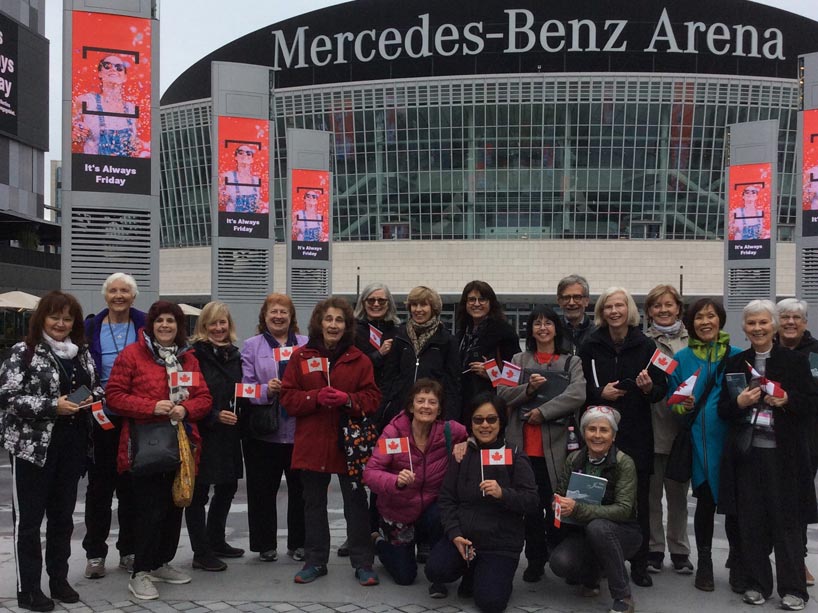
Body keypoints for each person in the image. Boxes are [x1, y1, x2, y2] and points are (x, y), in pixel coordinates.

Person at [0, 291, 102, 612]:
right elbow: (8, 397)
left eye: (68, 318)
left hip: (71, 445)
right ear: (42, 318)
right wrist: (51, 406)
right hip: (32, 447)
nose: (61, 323)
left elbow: (96, 385)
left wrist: (89, 398)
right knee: (29, 522)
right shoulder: (23, 352)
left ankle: (58, 579)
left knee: (62, 518)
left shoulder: (81, 353)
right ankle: (28, 589)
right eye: (55, 317)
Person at [105, 301, 212, 601]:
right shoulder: (132, 354)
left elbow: (204, 398)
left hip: (182, 442)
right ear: (150, 325)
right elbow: (114, 396)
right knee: (148, 509)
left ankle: (161, 562)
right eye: (160, 321)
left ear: (180, 327)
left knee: (173, 506)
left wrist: (185, 408)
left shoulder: (188, 358)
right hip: (146, 443)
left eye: (172, 321)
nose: (165, 326)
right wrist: (151, 406)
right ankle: (140, 571)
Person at [718, 300, 818, 611]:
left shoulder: (793, 361)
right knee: (751, 523)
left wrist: (786, 399)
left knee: (787, 523)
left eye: (763, 322)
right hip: (748, 456)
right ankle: (756, 583)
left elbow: (810, 404)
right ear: (744, 328)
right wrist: (741, 403)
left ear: (773, 326)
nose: (758, 329)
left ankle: (794, 590)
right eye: (752, 323)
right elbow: (723, 409)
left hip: (784, 456)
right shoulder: (736, 362)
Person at [280, 297, 382, 586]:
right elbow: (287, 398)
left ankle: (363, 562)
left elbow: (373, 398)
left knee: (356, 504)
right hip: (313, 442)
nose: (333, 325)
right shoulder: (300, 357)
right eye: (329, 319)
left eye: (339, 320)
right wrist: (314, 398)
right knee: (313, 504)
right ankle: (315, 561)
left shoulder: (359, 359)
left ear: (347, 325)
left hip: (349, 444)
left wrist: (348, 399)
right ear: (319, 322)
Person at [578, 287, 668, 588]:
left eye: (619, 306)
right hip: (598, 434)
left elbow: (660, 390)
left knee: (637, 502)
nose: (614, 311)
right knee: (596, 496)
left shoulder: (646, 345)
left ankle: (639, 564)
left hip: (635, 434)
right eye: (608, 307)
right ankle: (596, 564)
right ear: (601, 312)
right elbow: (579, 387)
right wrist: (598, 393)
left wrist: (646, 388)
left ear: (628, 310)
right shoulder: (590, 344)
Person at [424, 393, 538, 613]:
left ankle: (487, 576)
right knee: (435, 570)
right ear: (471, 423)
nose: (485, 425)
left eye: (491, 419)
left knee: (490, 603)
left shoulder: (514, 454)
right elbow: (447, 499)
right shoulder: (462, 453)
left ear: (501, 422)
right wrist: (455, 535)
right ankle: (472, 570)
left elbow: (532, 501)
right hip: (465, 538)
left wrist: (503, 493)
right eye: (478, 420)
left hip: (500, 543)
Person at [497, 306, 586, 583]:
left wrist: (543, 411)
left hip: (558, 450)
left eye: (548, 323)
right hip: (523, 448)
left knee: (556, 507)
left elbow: (578, 394)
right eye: (537, 323)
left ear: (556, 329)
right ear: (530, 329)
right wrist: (529, 390)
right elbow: (501, 392)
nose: (543, 328)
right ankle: (535, 560)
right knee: (530, 511)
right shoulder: (517, 358)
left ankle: (560, 554)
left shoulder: (571, 361)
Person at [667, 299, 742, 592]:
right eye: (699, 317)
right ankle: (706, 564)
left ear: (720, 320)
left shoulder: (737, 356)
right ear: (691, 323)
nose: (706, 321)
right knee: (705, 505)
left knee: (735, 507)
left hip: (732, 444)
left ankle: (738, 560)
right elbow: (672, 400)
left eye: (711, 316)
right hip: (699, 446)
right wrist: (682, 406)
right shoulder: (682, 358)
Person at [363, 379, 468, 588]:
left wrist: (467, 443)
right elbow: (370, 473)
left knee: (442, 514)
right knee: (405, 577)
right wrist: (396, 481)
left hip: (430, 507)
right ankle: (378, 542)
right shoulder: (393, 433)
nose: (426, 406)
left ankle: (435, 559)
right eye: (421, 401)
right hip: (399, 509)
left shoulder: (449, 431)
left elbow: (479, 434)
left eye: (432, 402)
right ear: (411, 406)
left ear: (439, 410)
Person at [549, 406, 642, 613]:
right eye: (592, 429)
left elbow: (624, 510)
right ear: (584, 433)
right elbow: (560, 492)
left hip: (623, 532)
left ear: (614, 435)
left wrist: (578, 508)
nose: (597, 435)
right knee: (560, 562)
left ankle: (623, 596)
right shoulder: (574, 459)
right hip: (583, 532)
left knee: (598, 527)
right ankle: (592, 577)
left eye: (604, 430)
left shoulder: (624, 463)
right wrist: (558, 503)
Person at [82, 273, 144, 580]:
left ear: (133, 297)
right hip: (100, 418)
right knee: (99, 490)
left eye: (125, 291)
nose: (118, 296)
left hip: (135, 418)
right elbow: (78, 369)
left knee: (132, 488)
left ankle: (129, 550)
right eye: (113, 291)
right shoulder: (90, 327)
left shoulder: (145, 324)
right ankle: (95, 553)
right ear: (106, 296)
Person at [240, 293, 307, 562]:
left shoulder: (306, 343)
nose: (278, 316)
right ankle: (264, 544)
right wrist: (268, 390)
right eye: (273, 312)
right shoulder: (251, 346)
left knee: (301, 491)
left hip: (299, 430)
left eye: (283, 312)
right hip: (263, 432)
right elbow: (244, 388)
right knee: (261, 491)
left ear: (291, 317)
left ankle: (299, 543)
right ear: (264, 317)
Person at [187, 302, 244, 572]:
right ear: (204, 326)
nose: (218, 328)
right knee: (199, 493)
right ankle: (201, 551)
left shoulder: (234, 354)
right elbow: (186, 395)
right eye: (213, 323)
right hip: (204, 430)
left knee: (228, 486)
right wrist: (213, 414)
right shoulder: (193, 356)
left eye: (223, 323)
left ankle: (216, 539)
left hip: (229, 432)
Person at [642, 285, 692, 575]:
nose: (663, 310)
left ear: (678, 308)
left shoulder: (692, 340)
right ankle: (654, 549)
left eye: (668, 305)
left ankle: (680, 550)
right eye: (657, 306)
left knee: (678, 497)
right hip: (651, 426)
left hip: (681, 429)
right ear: (649, 311)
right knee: (651, 498)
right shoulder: (643, 341)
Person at [775, 298, 818, 588]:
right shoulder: (766, 350)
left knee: (797, 502)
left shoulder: (815, 353)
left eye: (796, 318)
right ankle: (749, 556)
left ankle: (797, 560)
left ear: (805, 323)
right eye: (785, 317)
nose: (790, 322)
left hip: (806, 438)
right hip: (767, 439)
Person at [381, 286, 461, 424]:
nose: (418, 309)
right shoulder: (399, 336)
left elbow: (453, 383)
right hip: (401, 411)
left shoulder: (447, 340)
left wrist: (450, 417)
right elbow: (390, 376)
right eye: (414, 305)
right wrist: (386, 407)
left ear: (433, 308)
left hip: (432, 412)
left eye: (423, 305)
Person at [456, 280, 519, 418]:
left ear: (491, 303)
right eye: (472, 299)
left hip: (490, 405)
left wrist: (492, 373)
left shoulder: (504, 332)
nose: (477, 304)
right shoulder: (462, 333)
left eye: (482, 299)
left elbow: (516, 375)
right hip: (463, 403)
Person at [72, 55, 144, 157]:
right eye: (107, 66)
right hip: (94, 169)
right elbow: (70, 135)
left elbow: (136, 147)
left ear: (125, 77)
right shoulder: (86, 101)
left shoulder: (132, 110)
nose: (113, 69)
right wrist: (75, 134)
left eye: (119, 67)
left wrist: (137, 146)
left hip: (123, 170)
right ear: (100, 73)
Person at [353, 282, 400, 391]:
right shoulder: (352, 332)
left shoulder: (398, 331)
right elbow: (353, 367)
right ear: (363, 303)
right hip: (362, 392)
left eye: (381, 300)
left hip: (391, 395)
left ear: (389, 304)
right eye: (371, 300)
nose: (376, 304)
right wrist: (379, 354)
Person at [218, 145, 267, 213]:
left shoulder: (256, 181)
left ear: (252, 160)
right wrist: (223, 197)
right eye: (240, 152)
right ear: (236, 157)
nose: (244, 154)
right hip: (233, 221)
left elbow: (258, 206)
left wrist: (259, 207)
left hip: (251, 221)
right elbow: (219, 202)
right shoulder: (227, 176)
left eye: (248, 153)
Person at [556, 274, 593, 355]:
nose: (571, 303)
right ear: (559, 301)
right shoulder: (553, 332)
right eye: (566, 298)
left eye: (577, 297)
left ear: (586, 301)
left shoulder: (597, 332)